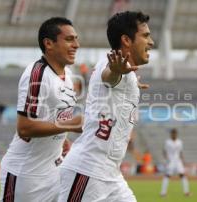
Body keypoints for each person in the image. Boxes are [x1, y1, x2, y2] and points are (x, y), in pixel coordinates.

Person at [58, 11, 154, 201]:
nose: (151, 42)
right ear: (126, 40)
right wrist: (117, 72)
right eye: (145, 35)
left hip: (111, 174)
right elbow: (109, 77)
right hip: (87, 170)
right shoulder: (112, 65)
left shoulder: (127, 73)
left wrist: (131, 82)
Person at [0, 17, 83, 202]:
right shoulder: (37, 74)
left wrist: (62, 140)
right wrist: (69, 125)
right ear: (49, 44)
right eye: (69, 39)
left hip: (54, 171)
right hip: (26, 175)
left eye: (76, 39)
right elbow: (25, 128)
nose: (76, 44)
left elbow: (54, 115)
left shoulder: (68, 75)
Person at [160, 129, 191, 197]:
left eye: (175, 133)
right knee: (167, 176)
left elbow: (180, 152)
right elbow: (164, 151)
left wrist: (183, 161)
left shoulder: (179, 142)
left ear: (177, 134)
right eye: (173, 133)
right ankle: (163, 193)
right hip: (170, 161)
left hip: (178, 161)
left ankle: (186, 192)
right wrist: (166, 160)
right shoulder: (167, 142)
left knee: (182, 175)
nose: (174, 135)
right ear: (171, 134)